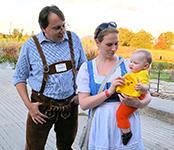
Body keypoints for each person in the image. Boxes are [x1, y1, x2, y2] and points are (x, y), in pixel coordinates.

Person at [13, 5, 87, 150]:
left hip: (70, 106)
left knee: (66, 147)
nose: (62, 31)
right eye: (57, 28)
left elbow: (85, 71)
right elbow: (19, 77)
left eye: (63, 25)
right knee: (34, 147)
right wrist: (29, 105)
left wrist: (81, 95)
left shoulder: (73, 39)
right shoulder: (30, 45)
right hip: (41, 107)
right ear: (43, 28)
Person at [76, 21, 151, 149]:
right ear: (97, 43)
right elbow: (83, 104)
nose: (114, 48)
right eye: (109, 44)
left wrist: (139, 104)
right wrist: (109, 91)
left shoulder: (128, 65)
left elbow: (147, 94)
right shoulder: (87, 68)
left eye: (116, 43)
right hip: (101, 126)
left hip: (127, 124)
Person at [116, 49, 152, 145]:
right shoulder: (136, 72)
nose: (131, 64)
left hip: (136, 98)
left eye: (135, 63)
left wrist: (142, 87)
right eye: (131, 61)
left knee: (121, 115)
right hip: (132, 96)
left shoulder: (143, 74)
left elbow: (146, 87)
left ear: (145, 66)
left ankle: (127, 133)